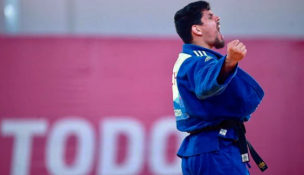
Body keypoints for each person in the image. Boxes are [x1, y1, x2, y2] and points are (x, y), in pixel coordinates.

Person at [172, 1, 267, 174]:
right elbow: (206, 85)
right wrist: (229, 62)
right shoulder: (198, 60)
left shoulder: (186, 60)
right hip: (217, 149)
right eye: (209, 16)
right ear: (197, 30)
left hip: (202, 149)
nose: (217, 17)